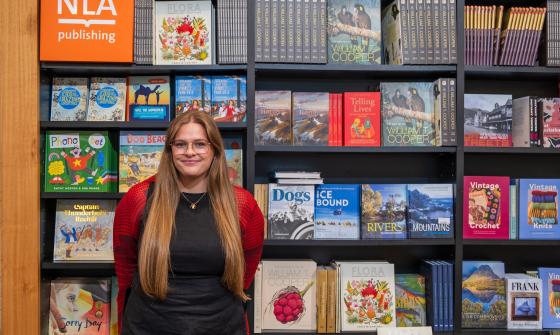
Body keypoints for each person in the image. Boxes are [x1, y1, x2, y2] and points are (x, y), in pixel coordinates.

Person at [113, 110, 264, 334]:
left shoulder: (242, 204)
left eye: (200, 144)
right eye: (181, 144)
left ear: (214, 149)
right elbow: (126, 271)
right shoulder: (138, 199)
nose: (190, 152)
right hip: (148, 324)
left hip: (221, 324)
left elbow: (246, 271)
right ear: (170, 151)